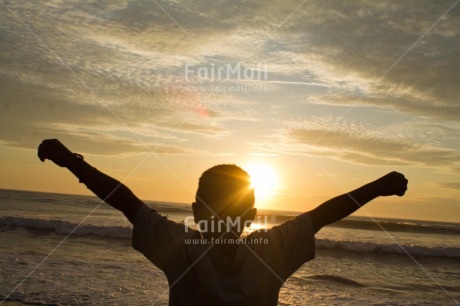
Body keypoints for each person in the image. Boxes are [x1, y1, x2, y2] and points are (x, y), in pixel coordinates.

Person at [37, 139, 408, 306]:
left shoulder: (180, 246)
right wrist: (378, 186)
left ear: (196, 212)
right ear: (252, 216)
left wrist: (72, 162)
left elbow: (126, 201)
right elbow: (324, 214)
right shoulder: (273, 251)